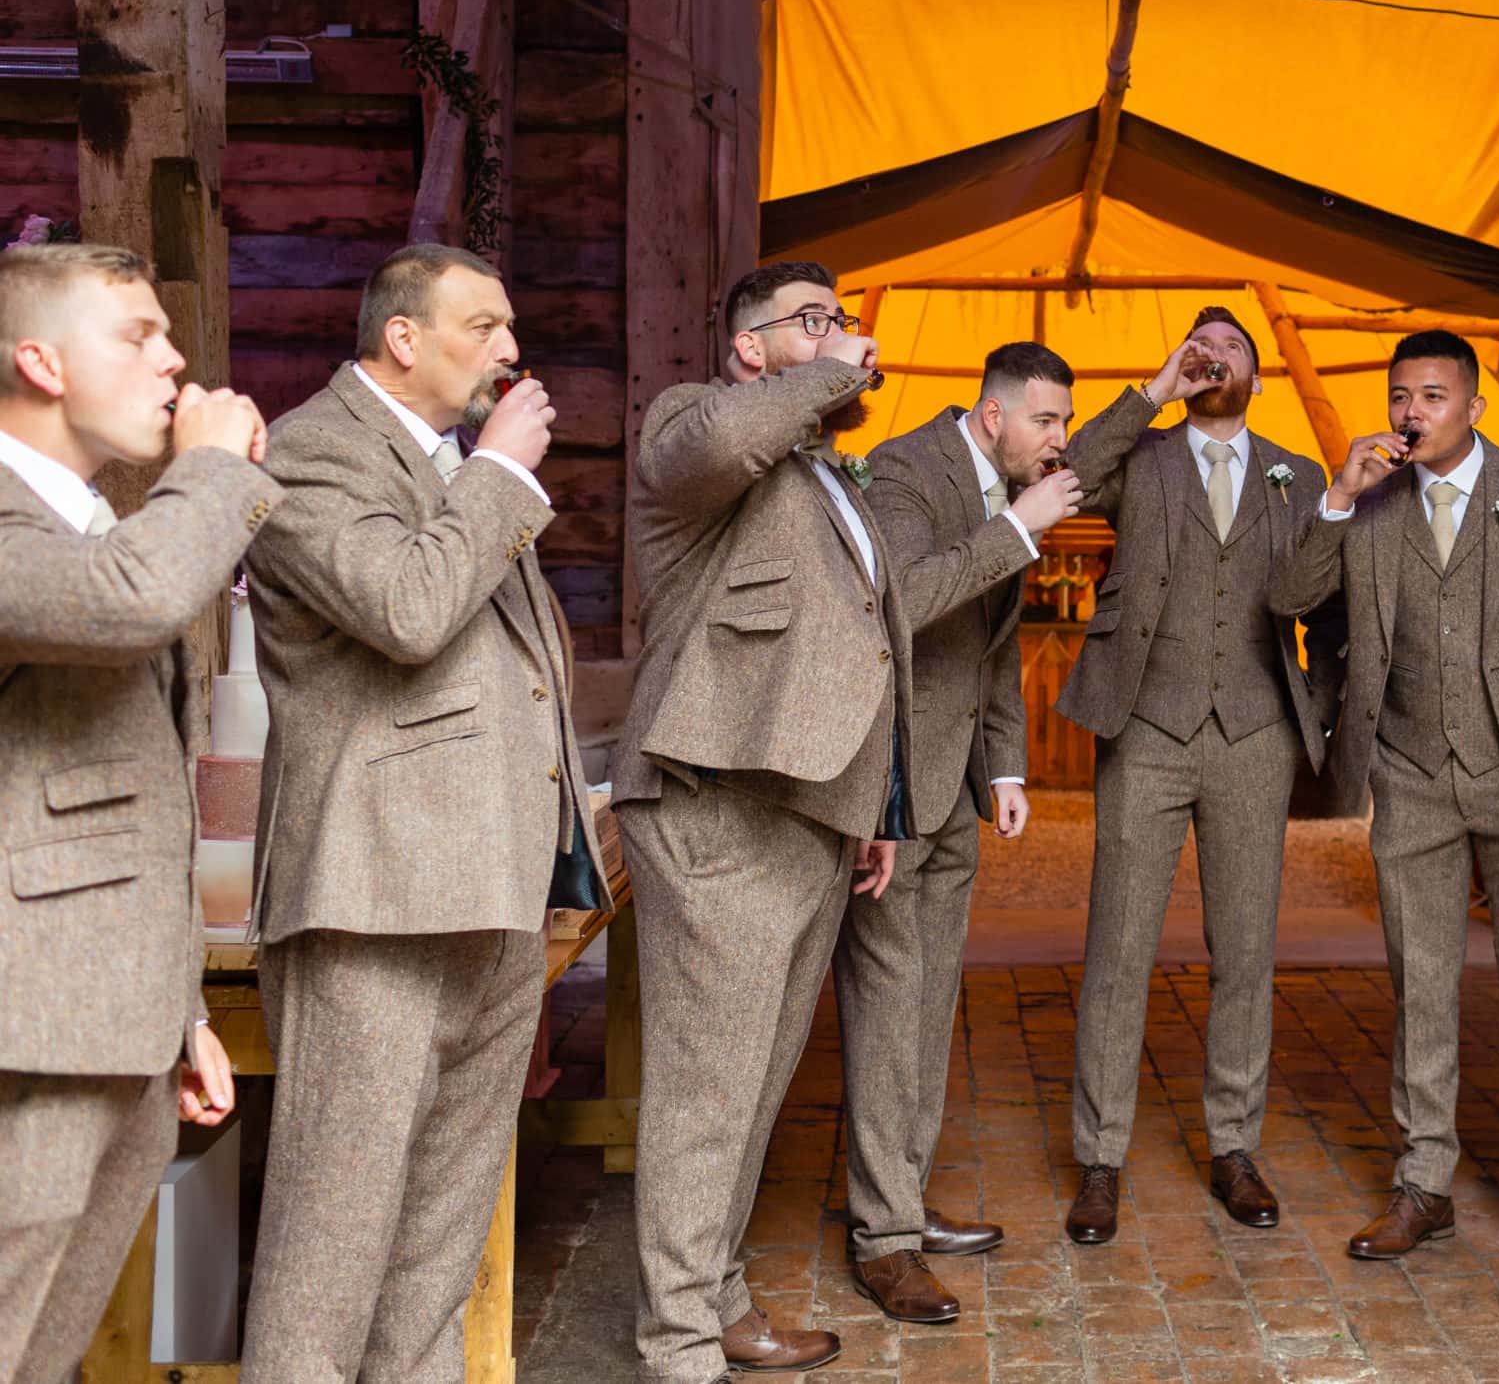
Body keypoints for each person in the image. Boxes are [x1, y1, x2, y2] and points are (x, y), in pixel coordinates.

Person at [241, 244, 600, 1381]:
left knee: (438, 1246)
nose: (509, 347)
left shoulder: (457, 464)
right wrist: (502, 475)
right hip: (373, 897)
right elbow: (406, 608)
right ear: (404, 336)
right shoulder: (309, 452)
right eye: (483, 325)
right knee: (331, 1245)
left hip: (488, 888)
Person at [611, 261, 911, 1382]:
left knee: (753, 1088)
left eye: (843, 318)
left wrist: (871, 803)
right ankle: (678, 1347)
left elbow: (861, 649)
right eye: (811, 321)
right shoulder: (695, 424)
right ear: (749, 349)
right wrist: (823, 372)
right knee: (706, 1095)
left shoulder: (823, 472)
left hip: (806, 813)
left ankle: (720, 1299)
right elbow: (712, 450)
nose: (843, 335)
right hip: (714, 806)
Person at [1272, 329, 1499, 1290]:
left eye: (1435, 395)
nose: (1414, 411)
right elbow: (1287, 595)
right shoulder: (1365, 503)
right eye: (1401, 393)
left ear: (1474, 405)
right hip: (1409, 775)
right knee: (1421, 987)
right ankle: (1424, 1183)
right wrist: (1333, 496)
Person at [0, 245, 265, 1382]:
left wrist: (177, 1012)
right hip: (26, 1023)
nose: (173, 364)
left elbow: (125, 796)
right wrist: (211, 473)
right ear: (40, 361)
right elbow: (135, 601)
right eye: (139, 336)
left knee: (45, 1349)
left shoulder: (92, 517)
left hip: (110, 1014)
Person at [1050, 310, 1338, 1243]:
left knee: (1245, 949)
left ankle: (1234, 1145)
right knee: (1118, 945)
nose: (1218, 357)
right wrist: (1153, 389)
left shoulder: (1301, 472)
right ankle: (1099, 1158)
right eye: (1201, 344)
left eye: (1233, 347)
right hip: (1144, 726)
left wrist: (1320, 716)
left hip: (1256, 735)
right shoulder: (1142, 456)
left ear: (1261, 373)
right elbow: (1068, 476)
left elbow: (1326, 597)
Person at [831, 342, 1085, 1319]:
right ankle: (884, 1237)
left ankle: (902, 1197)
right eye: (1049, 421)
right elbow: (901, 605)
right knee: (889, 1006)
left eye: (1063, 422)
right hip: (891, 786)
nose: (1058, 440)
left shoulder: (998, 483)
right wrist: (1017, 530)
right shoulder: (906, 470)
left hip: (954, 791)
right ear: (993, 419)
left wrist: (1006, 765)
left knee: (930, 1005)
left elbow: (993, 641)